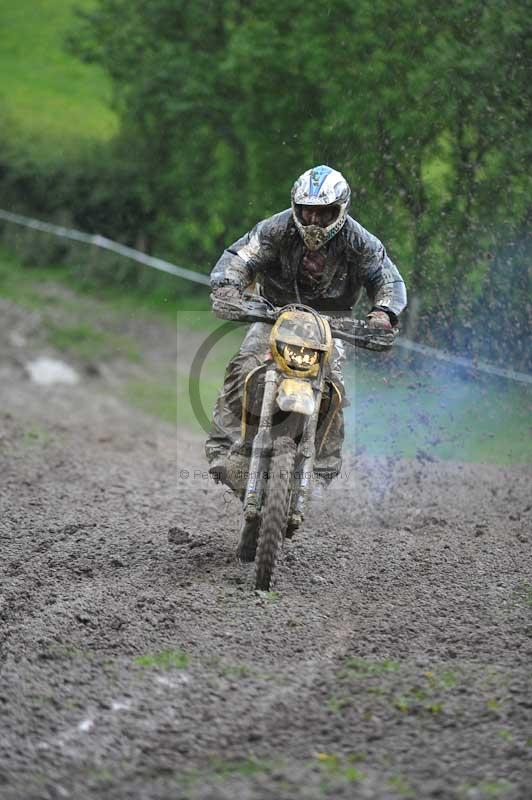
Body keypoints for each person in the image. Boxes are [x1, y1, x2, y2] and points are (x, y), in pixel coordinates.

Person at [205, 164, 407, 492]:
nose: (314, 221)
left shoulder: (359, 241)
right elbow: (241, 257)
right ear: (296, 207)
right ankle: (224, 447)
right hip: (272, 314)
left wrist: (383, 312)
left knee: (335, 385)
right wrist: (229, 285)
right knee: (244, 366)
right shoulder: (275, 228)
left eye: (323, 213)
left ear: (340, 210)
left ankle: (324, 461)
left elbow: (386, 278)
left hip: (331, 323)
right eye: (307, 212)